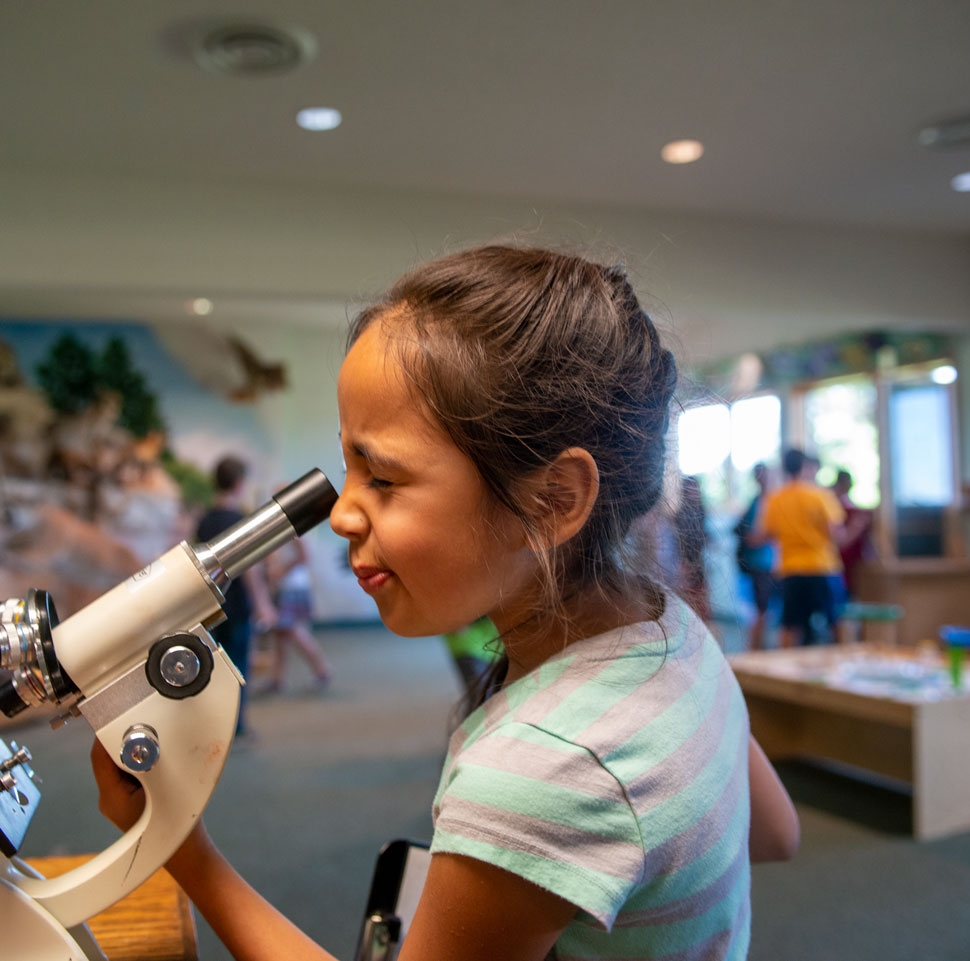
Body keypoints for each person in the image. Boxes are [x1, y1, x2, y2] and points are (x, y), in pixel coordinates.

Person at [94, 246, 799, 961]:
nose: (342, 513)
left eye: (385, 478)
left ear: (553, 500)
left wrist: (185, 851)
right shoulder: (675, 632)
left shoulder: (544, 768)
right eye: (349, 466)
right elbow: (775, 833)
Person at [195, 455, 276, 739]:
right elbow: (249, 569)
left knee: (214, 667)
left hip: (212, 605)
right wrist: (263, 604)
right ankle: (236, 727)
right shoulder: (239, 520)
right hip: (238, 605)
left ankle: (215, 725)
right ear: (239, 484)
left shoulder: (205, 520)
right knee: (239, 665)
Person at [755, 448, 844, 647]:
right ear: (805, 466)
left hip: (790, 569)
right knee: (835, 622)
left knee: (790, 626)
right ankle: (841, 667)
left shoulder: (775, 499)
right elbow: (837, 534)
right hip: (823, 566)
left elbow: (764, 535)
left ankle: (786, 675)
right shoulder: (820, 496)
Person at [259, 538, 334, 694]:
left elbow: (304, 556)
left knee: (292, 630)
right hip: (286, 586)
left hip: (292, 586)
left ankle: (322, 670)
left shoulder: (294, 534)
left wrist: (282, 571)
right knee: (281, 634)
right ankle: (277, 679)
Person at [732, 463, 778, 651]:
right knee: (761, 610)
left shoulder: (765, 500)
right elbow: (753, 536)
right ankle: (756, 649)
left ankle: (758, 647)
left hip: (766, 563)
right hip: (761, 564)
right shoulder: (760, 502)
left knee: (764, 610)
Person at [672, 475, 712, 623]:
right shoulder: (682, 514)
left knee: (702, 601)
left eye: (695, 488)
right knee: (691, 602)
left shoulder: (701, 510)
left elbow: (702, 535)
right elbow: (682, 542)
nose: (693, 491)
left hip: (699, 562)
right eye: (691, 488)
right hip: (686, 564)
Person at [831, 469, 875, 599]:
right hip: (837, 561)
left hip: (853, 562)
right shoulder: (833, 507)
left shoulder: (853, 509)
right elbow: (840, 540)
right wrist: (857, 525)